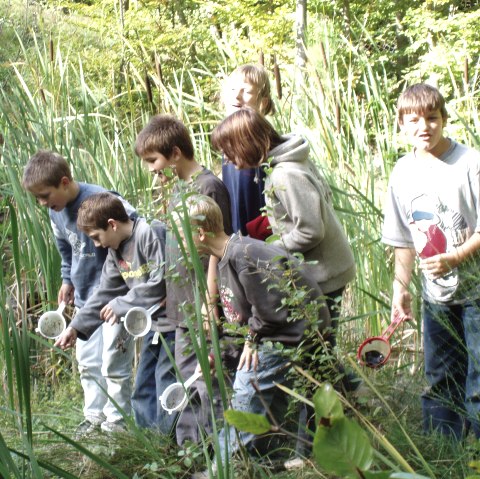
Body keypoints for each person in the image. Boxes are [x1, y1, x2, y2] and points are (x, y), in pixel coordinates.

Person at [180, 195, 330, 477]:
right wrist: (215, 355)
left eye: (183, 236)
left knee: (245, 399)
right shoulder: (225, 258)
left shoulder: (244, 254)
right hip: (271, 333)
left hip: (288, 335)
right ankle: (257, 465)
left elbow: (271, 309)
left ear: (200, 233)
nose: (180, 244)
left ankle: (219, 472)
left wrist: (252, 339)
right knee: (262, 400)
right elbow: (240, 319)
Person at [382, 83, 480, 440]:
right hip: (435, 294)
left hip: (475, 290)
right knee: (440, 375)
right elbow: (402, 240)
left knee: (478, 376)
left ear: (444, 119)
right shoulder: (401, 173)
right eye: (414, 120)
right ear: (401, 125)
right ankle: (444, 451)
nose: (424, 126)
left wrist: (454, 257)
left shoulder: (469, 162)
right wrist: (401, 288)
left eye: (432, 118)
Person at [134, 114, 233, 445]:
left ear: (175, 153)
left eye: (153, 160)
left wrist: (211, 302)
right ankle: (190, 447)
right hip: (179, 304)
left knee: (204, 380)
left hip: (199, 304)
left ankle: (211, 450)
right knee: (186, 377)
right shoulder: (179, 190)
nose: (150, 168)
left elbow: (218, 248)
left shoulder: (208, 187)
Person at [22, 150, 136, 436]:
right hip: (86, 298)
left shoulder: (99, 199)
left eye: (45, 196)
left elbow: (134, 228)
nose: (43, 203)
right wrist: (66, 279)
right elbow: (66, 248)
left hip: (114, 301)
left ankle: (117, 422)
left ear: (63, 182)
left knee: (114, 364)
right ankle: (93, 415)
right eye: (38, 198)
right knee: (88, 363)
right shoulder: (55, 212)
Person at [54, 192, 176, 433]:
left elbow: (161, 281)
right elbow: (104, 292)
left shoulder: (150, 232)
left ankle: (167, 440)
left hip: (173, 323)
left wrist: (122, 304)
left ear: (112, 224)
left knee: (165, 380)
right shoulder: (115, 251)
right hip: (153, 328)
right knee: (143, 386)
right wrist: (75, 327)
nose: (98, 245)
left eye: (97, 238)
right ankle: (147, 441)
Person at [220, 64, 274, 237]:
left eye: (246, 91)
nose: (236, 96)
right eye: (233, 89)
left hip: (263, 247)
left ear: (263, 101)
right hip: (237, 243)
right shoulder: (229, 142)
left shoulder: (263, 143)